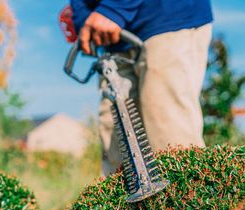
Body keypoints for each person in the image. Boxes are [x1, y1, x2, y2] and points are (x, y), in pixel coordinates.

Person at [70, 0, 213, 175]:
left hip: (165, 19)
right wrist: (84, 19)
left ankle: (189, 201)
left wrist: (114, 8)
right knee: (117, 149)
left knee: (170, 142)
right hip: (115, 39)